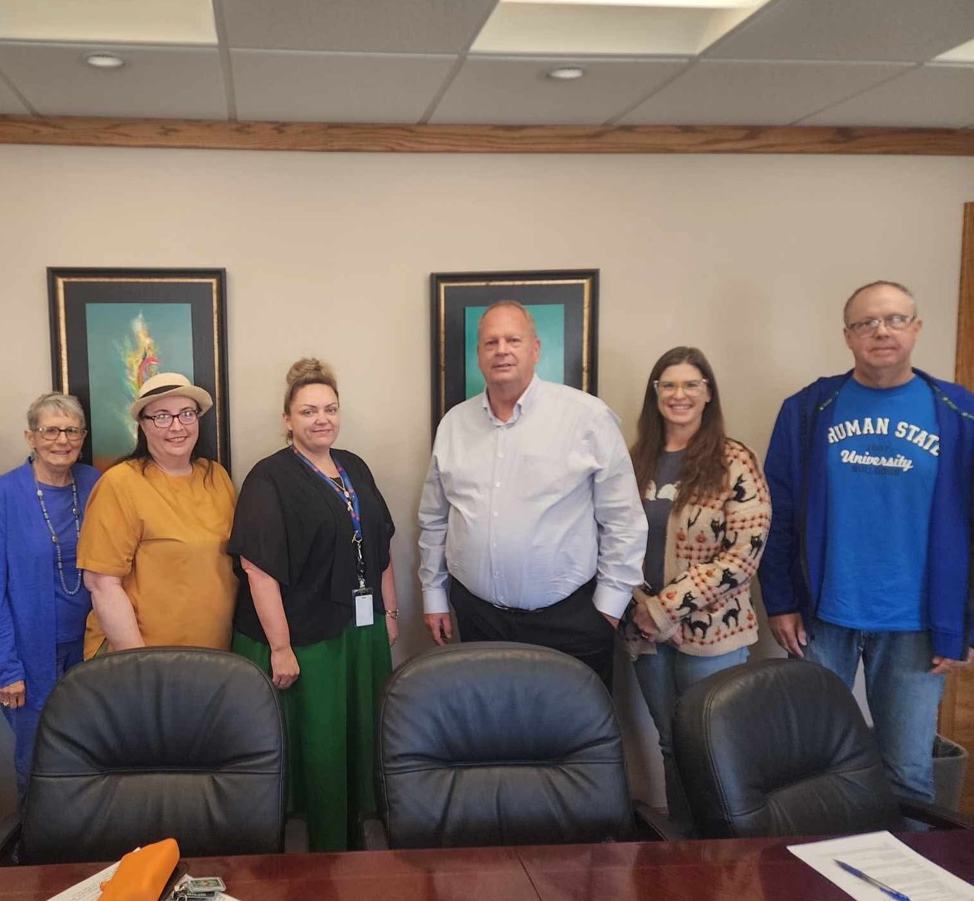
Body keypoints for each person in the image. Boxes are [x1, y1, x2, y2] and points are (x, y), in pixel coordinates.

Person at [760, 280, 974, 802]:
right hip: (822, 618)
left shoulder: (960, 412)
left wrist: (964, 623)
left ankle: (907, 859)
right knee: (810, 765)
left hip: (916, 624)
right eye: (866, 322)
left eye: (895, 319)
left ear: (915, 328)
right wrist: (781, 601)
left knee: (908, 773)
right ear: (848, 335)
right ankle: (816, 859)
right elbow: (777, 513)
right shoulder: (808, 409)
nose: (881, 331)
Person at [417, 300, 646, 690]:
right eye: (491, 342)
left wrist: (607, 611)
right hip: (479, 619)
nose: (501, 350)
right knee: (490, 723)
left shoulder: (587, 417)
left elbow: (623, 520)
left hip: (571, 621)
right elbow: (435, 518)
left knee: (572, 725)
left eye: (513, 340)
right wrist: (434, 595)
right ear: (478, 354)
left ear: (535, 348)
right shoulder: (454, 425)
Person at [230, 358, 399, 852]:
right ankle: (315, 858)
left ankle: (359, 845)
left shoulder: (355, 466)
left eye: (330, 409)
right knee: (319, 751)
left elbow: (381, 544)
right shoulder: (269, 478)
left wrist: (389, 614)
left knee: (362, 743)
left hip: (359, 633)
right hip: (303, 640)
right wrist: (280, 648)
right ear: (287, 419)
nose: (321, 419)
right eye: (308, 411)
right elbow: (257, 569)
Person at [621, 347, 771, 831]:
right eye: (668, 384)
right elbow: (612, 538)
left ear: (708, 394)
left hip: (713, 636)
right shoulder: (634, 460)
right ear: (655, 394)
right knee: (670, 743)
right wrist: (639, 607)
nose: (678, 394)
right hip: (644, 633)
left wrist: (664, 607)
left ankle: (724, 850)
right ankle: (683, 849)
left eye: (691, 384)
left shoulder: (733, 460)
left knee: (714, 746)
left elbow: (743, 554)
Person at [0, 393, 101, 797]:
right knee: (38, 758)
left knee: (91, 751)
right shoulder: (6, 492)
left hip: (90, 646)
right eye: (50, 431)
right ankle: (34, 832)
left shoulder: (94, 483)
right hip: (30, 654)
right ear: (30, 437)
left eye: (71, 431)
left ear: (83, 436)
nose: (62, 440)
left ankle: (85, 833)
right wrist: (6, 667)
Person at [77, 372, 236, 652]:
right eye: (162, 416)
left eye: (186, 414)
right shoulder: (120, 483)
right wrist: (141, 661)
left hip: (211, 654)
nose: (177, 426)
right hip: (142, 655)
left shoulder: (216, 477)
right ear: (142, 424)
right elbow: (102, 583)